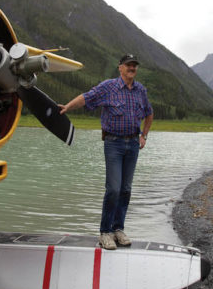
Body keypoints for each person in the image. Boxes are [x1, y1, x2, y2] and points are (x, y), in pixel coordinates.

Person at [59, 54, 154, 250]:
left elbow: (149, 113)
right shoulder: (108, 87)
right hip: (114, 144)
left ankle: (118, 229)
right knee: (113, 189)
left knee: (126, 190)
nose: (132, 68)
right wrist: (68, 107)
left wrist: (144, 135)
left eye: (134, 65)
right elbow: (86, 98)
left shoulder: (140, 90)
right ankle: (105, 233)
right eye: (128, 65)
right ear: (120, 67)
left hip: (133, 144)